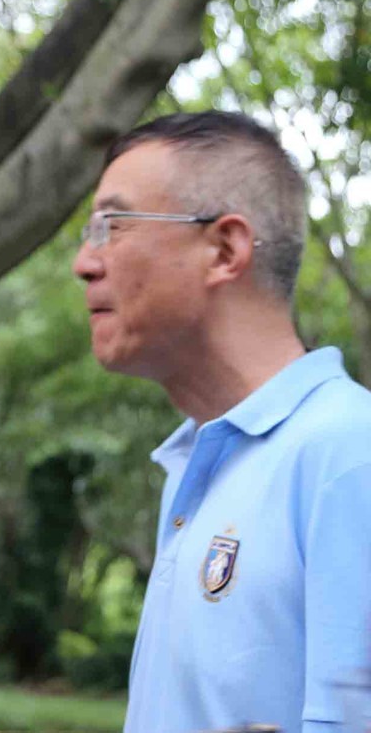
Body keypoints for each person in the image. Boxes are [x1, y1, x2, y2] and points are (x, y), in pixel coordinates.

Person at [73, 110, 371, 733]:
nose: (84, 262)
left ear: (224, 249)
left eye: (112, 226)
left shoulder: (349, 453)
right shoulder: (196, 463)